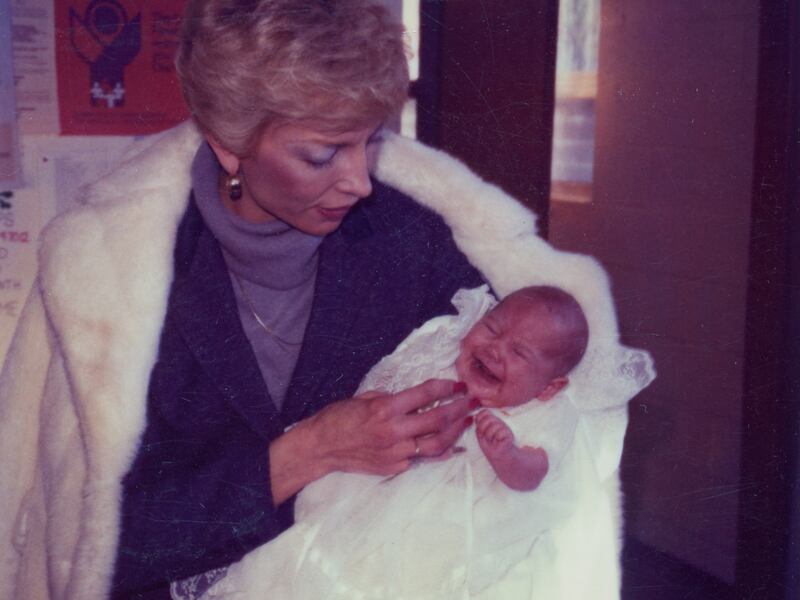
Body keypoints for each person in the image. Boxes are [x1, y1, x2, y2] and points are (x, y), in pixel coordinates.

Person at [0, 2, 486, 598]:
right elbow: (92, 545)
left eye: (370, 141)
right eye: (323, 154)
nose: (359, 181)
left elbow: (509, 391)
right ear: (230, 145)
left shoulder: (410, 236)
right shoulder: (117, 272)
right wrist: (306, 453)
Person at [177, 284, 592, 600]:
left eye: (519, 353)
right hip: (376, 493)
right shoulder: (441, 357)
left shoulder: (544, 414)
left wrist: (507, 454)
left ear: (548, 387)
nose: (495, 349)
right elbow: (382, 386)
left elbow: (534, 475)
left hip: (449, 522)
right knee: (312, 556)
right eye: (492, 328)